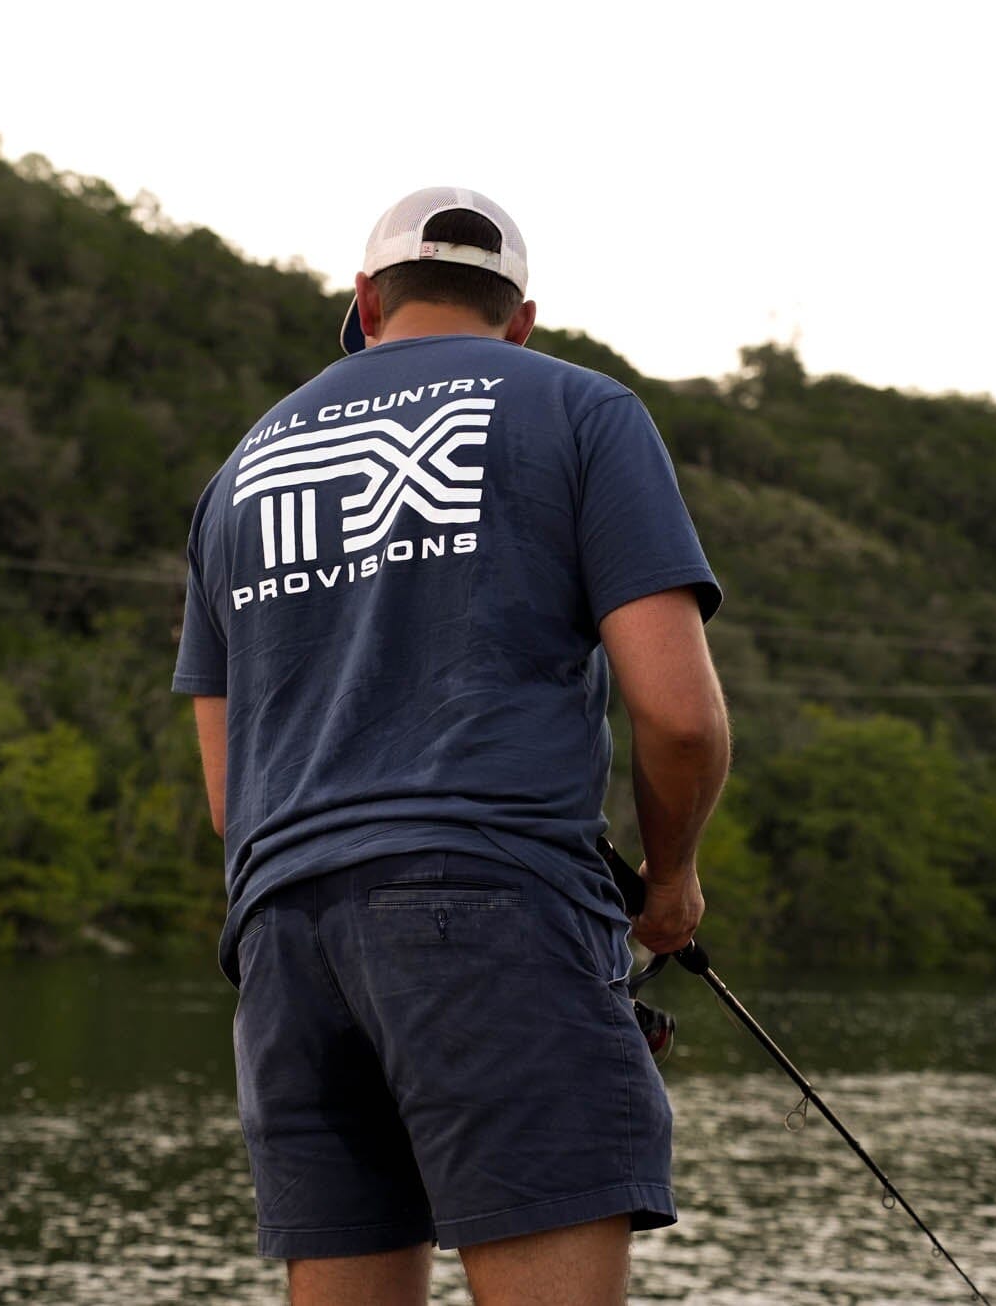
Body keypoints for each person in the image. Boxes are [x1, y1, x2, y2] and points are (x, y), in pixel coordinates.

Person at [173, 186, 729, 1306]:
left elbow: (232, 801)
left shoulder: (237, 474)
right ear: (520, 317)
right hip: (492, 915)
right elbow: (679, 715)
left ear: (367, 300)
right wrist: (669, 884)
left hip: (285, 943)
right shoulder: (582, 408)